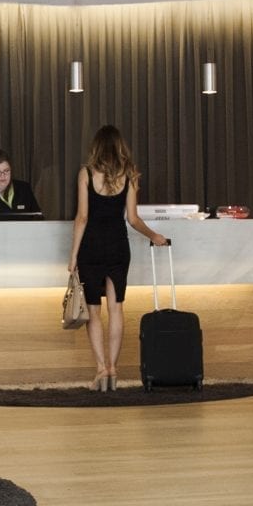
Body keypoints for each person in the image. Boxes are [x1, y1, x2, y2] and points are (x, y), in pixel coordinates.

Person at [68, 126, 168, 392]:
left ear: (96, 147)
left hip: (91, 248)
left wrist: (73, 256)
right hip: (117, 247)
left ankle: (101, 369)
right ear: (120, 146)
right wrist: (154, 235)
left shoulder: (86, 174)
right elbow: (133, 219)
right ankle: (113, 369)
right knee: (116, 308)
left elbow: (82, 218)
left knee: (93, 311)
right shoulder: (129, 175)